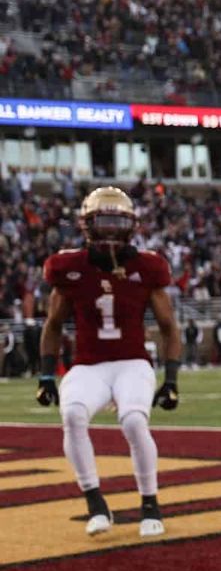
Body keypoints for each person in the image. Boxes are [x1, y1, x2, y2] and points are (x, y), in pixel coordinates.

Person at [36, 187, 182, 538]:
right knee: (71, 415)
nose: (112, 231)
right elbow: (53, 325)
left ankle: (150, 504)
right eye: (104, 222)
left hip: (132, 361)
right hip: (88, 365)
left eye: (118, 222)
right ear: (89, 225)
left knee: (133, 420)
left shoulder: (148, 266)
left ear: (130, 225)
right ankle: (96, 504)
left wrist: (172, 379)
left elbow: (168, 327)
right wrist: (45, 376)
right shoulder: (67, 267)